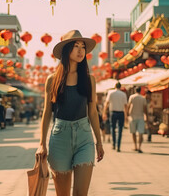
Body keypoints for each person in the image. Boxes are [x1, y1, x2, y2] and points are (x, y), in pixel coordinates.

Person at [36, 30, 104, 195]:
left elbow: (93, 113)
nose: (81, 51)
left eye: (83, 47)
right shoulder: (52, 80)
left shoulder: (89, 79)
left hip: (84, 138)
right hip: (60, 138)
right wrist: (42, 144)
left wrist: (99, 141)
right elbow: (47, 113)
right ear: (66, 50)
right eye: (76, 46)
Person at [104, 82, 128, 152]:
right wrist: (126, 115)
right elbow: (125, 106)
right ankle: (118, 146)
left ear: (115, 86)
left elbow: (107, 103)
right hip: (121, 113)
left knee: (112, 128)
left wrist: (104, 112)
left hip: (113, 112)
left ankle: (113, 144)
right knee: (120, 129)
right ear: (120, 87)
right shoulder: (123, 94)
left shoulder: (110, 92)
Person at [128, 87, 147, 153]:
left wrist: (128, 114)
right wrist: (146, 116)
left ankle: (135, 146)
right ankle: (139, 147)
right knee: (140, 133)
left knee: (133, 132)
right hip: (141, 117)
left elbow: (129, 105)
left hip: (133, 117)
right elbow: (145, 108)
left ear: (135, 90)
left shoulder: (132, 97)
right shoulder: (143, 98)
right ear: (140, 91)